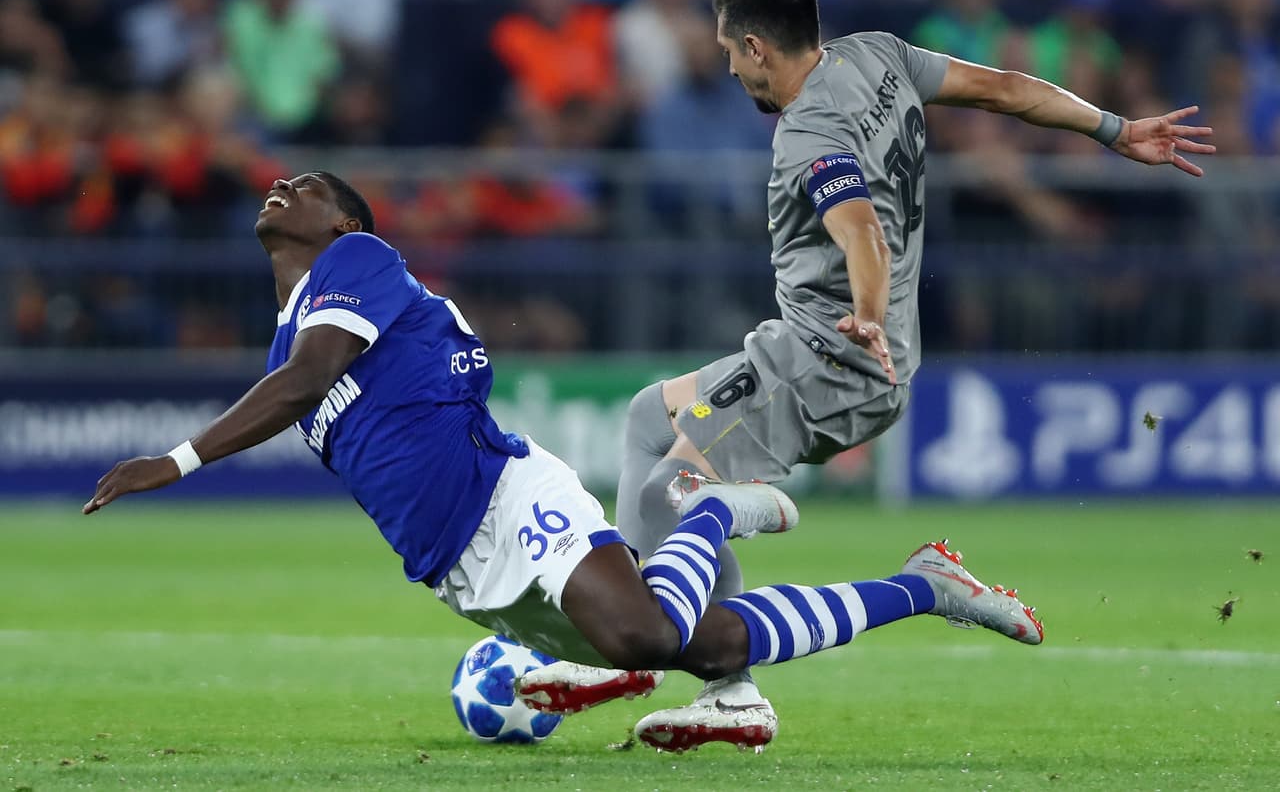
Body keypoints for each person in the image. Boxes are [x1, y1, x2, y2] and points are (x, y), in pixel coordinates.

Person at [83, 171, 1043, 751]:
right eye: (283, 179)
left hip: (509, 500)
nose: (284, 184)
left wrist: (176, 459)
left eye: (310, 183)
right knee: (698, 644)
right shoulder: (285, 339)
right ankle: (922, 587)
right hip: (458, 567)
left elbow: (307, 383)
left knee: (636, 640)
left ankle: (709, 508)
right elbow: (302, 386)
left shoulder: (358, 261)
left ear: (343, 222)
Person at [530, 0, 1215, 752]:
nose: (726, 66)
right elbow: (1004, 88)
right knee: (650, 416)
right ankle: (727, 689)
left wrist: (863, 315)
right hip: (816, 347)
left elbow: (859, 226)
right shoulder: (880, 55)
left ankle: (650, 634)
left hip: (830, 362)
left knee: (672, 484)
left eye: (729, 50)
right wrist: (1116, 129)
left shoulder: (810, 131)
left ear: (758, 46)